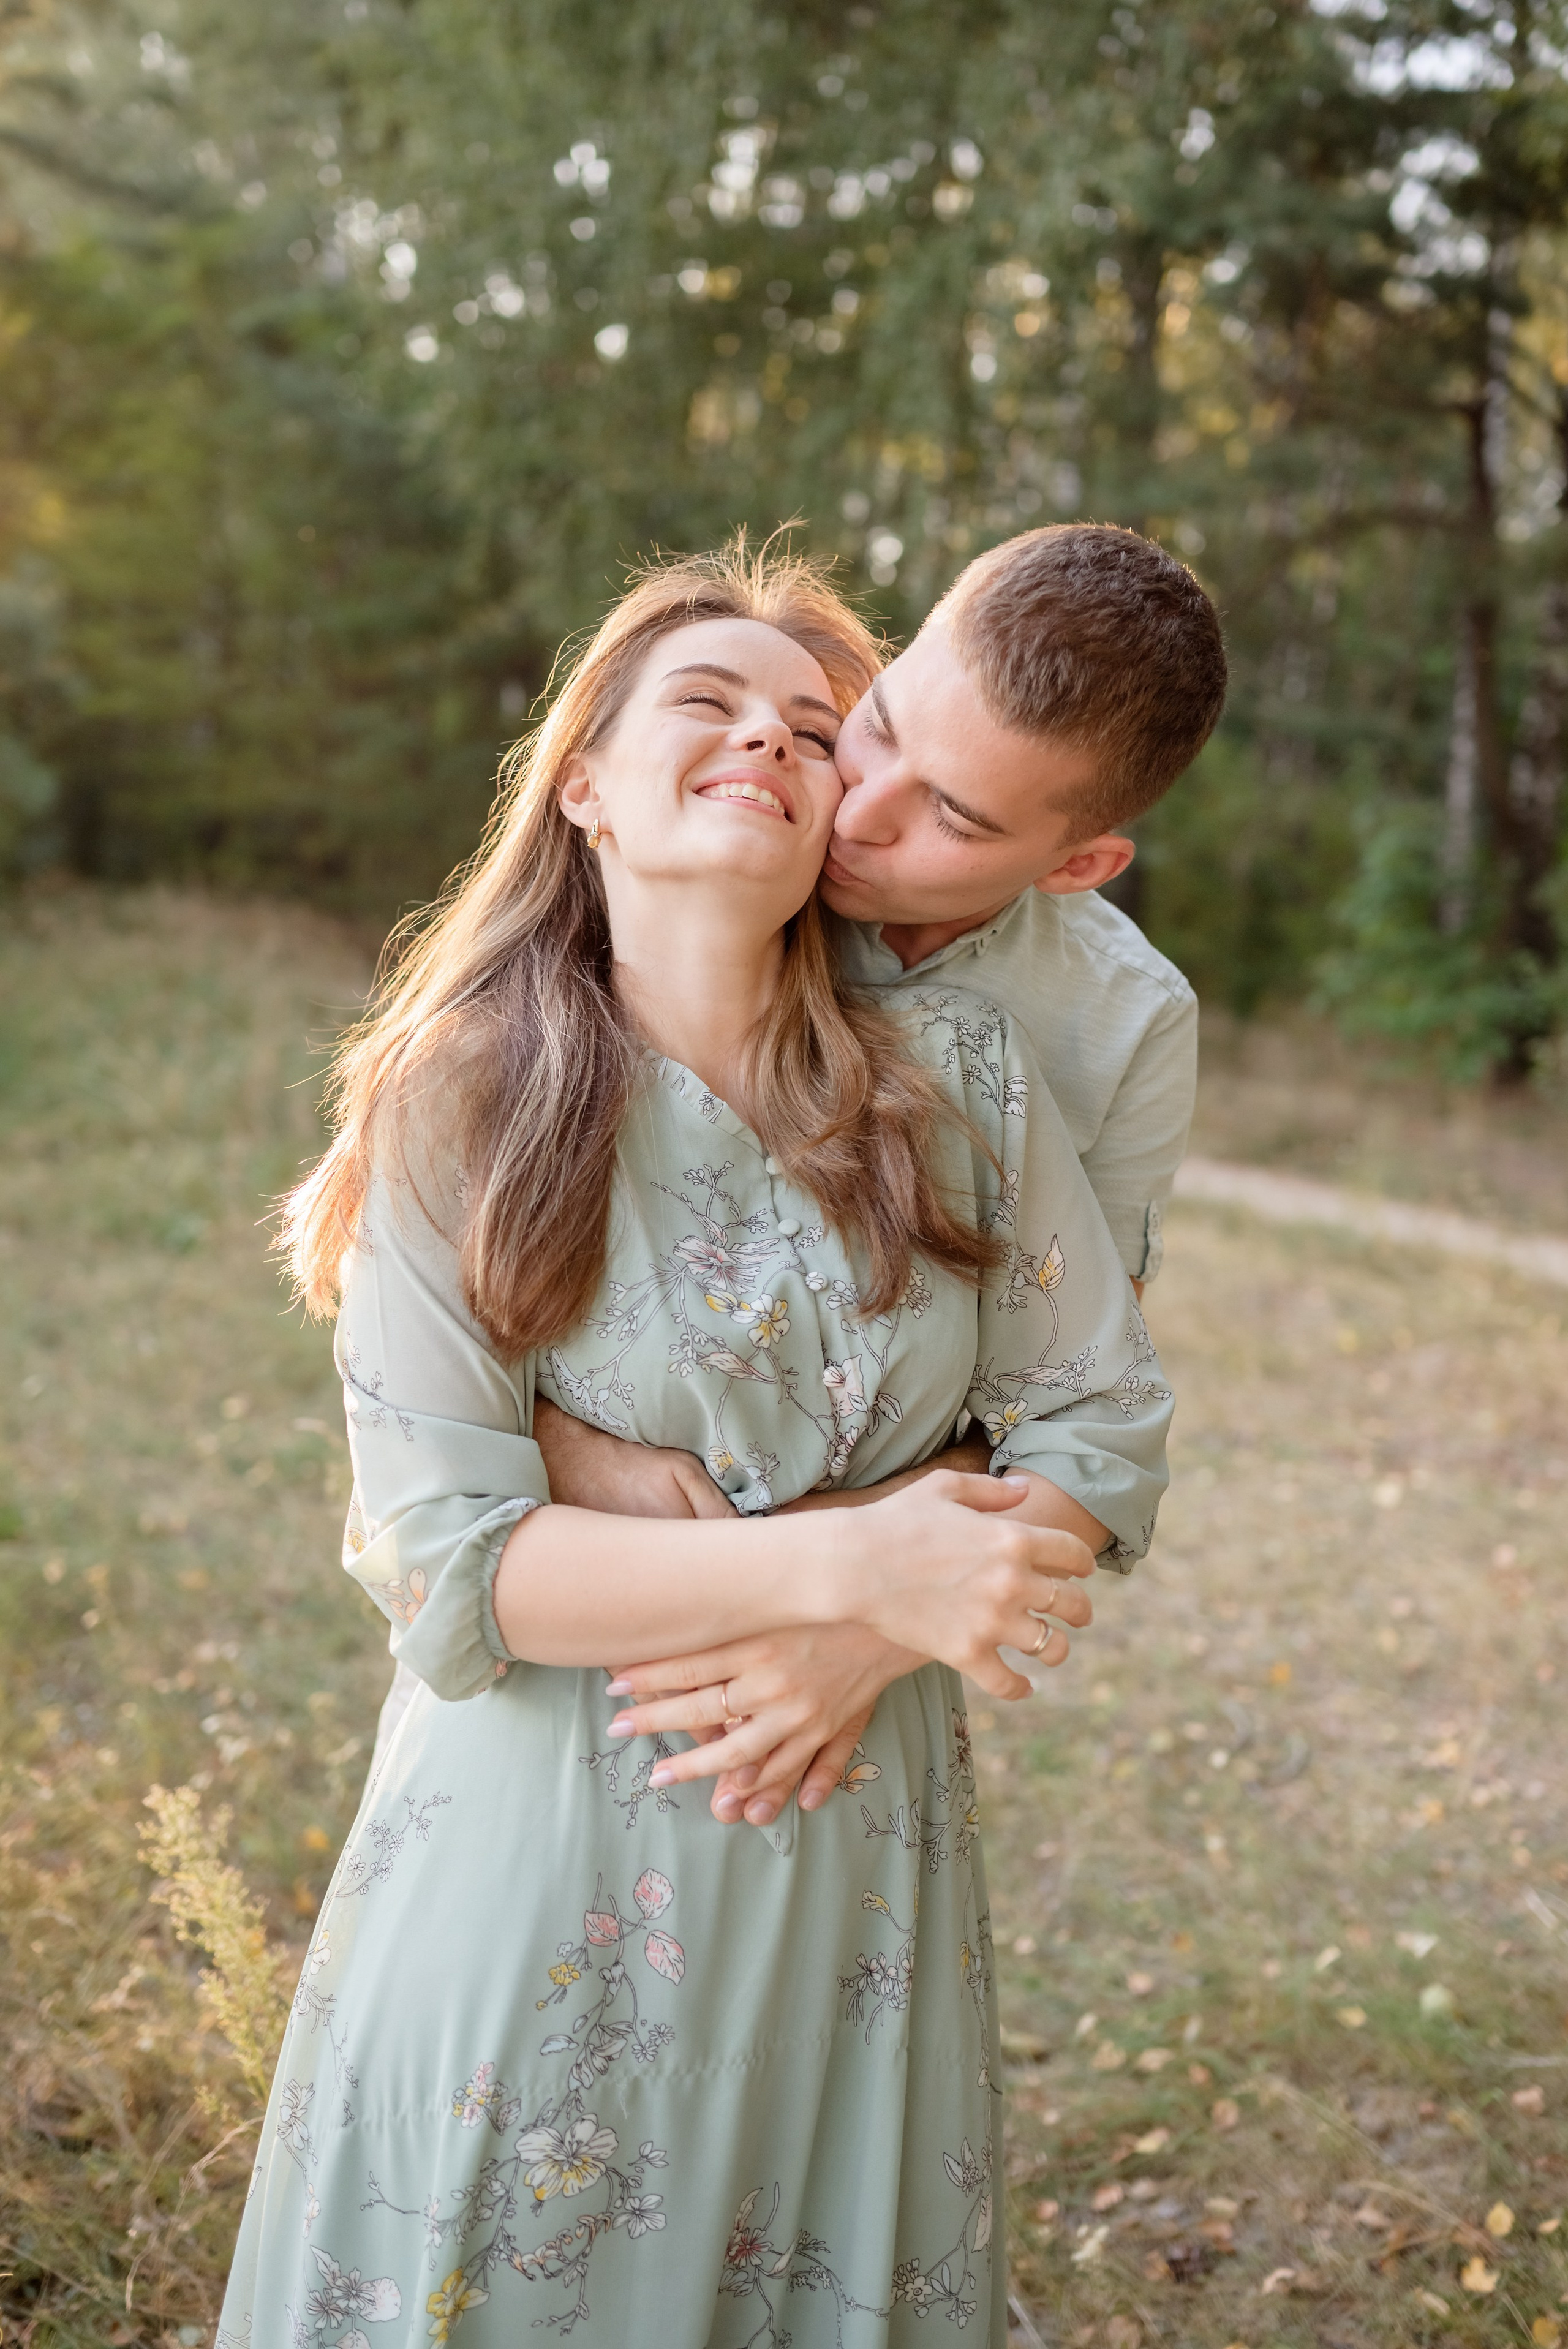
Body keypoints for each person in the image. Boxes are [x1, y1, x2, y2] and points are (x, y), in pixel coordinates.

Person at [225, 544, 1173, 2348]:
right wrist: (856, 1553)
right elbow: (455, 1564)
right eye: (708, 704)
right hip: (539, 1861)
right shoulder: (459, 1102)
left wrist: (878, 1609)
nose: (776, 739)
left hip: (861, 1869)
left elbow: (1105, 1412)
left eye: (814, 725)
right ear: (581, 780)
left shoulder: (964, 1078)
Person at [461, 524, 1226, 1834]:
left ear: (1075, 864)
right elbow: (452, 1236)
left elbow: (1071, 1395)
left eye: (954, 816)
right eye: (876, 728)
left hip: (844, 1685)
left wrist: (854, 1623)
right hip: (573, 1603)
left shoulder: (1119, 1026)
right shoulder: (738, 821)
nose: (858, 815)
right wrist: (558, 1440)